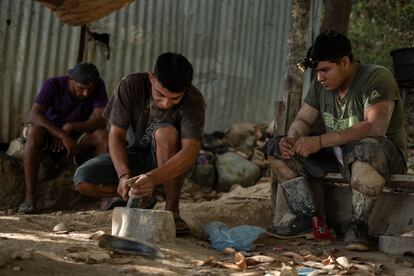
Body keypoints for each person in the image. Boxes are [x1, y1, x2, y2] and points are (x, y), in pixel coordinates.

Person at [266, 30, 406, 251]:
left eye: (325, 70)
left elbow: (374, 127)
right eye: (317, 71)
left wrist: (320, 141)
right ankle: (311, 221)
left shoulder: (377, 77)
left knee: (366, 149)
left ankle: (358, 225)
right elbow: (303, 118)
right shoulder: (320, 86)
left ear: (344, 61)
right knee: (275, 148)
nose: (319, 77)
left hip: (382, 154)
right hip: (339, 153)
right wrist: (291, 139)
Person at [73, 52, 205, 235]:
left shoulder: (193, 99)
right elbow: (116, 135)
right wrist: (123, 176)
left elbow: (191, 150)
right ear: (152, 77)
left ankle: (172, 211)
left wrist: (153, 178)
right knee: (83, 179)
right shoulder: (130, 85)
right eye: (160, 95)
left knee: (165, 133)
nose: (166, 103)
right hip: (135, 155)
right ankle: (141, 195)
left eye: (174, 99)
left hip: (172, 165)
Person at [18, 63, 109, 213]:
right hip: (48, 130)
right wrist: (61, 135)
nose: (86, 93)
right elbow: (34, 114)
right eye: (81, 88)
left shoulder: (98, 85)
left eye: (90, 89)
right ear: (71, 79)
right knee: (35, 132)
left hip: (77, 134)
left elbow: (101, 120)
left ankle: (106, 199)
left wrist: (71, 127)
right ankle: (29, 198)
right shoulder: (53, 84)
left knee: (103, 136)